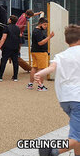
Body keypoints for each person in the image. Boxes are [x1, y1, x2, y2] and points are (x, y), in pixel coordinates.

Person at [34, 25, 80, 156]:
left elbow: (52, 67)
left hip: (65, 100)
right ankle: (52, 151)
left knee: (77, 132)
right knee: (76, 137)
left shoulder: (61, 55)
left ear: (66, 41)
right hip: (78, 99)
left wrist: (39, 74)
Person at [27, 17, 54, 91]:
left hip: (35, 51)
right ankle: (40, 86)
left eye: (46, 25)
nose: (46, 27)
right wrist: (49, 37)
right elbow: (40, 43)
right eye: (45, 25)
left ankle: (30, 84)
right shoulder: (38, 32)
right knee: (41, 69)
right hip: (40, 52)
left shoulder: (36, 30)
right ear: (40, 24)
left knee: (34, 67)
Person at [0, 15, 20, 82]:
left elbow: (4, 38)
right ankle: (15, 77)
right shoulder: (18, 28)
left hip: (7, 46)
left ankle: (0, 77)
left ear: (10, 20)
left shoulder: (6, 27)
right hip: (15, 47)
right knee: (15, 62)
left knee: (4, 61)